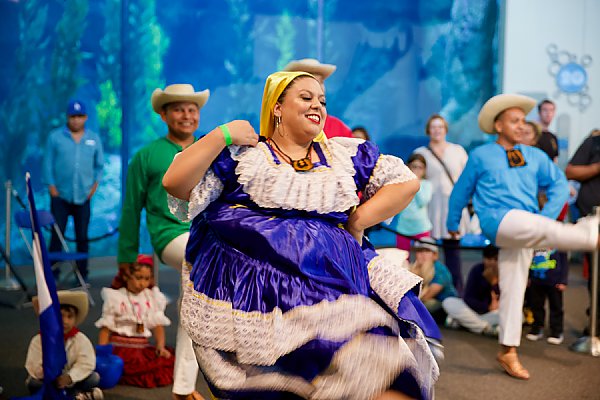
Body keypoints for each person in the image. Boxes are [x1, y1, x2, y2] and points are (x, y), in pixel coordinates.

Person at [162, 71, 440, 400]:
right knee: (291, 386)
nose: (317, 106)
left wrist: (360, 220)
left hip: (335, 288)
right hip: (267, 298)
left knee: (383, 375)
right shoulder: (246, 156)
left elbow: (405, 182)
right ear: (277, 107)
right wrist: (223, 134)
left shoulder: (340, 156)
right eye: (306, 97)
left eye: (322, 100)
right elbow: (175, 183)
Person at [447, 93, 599, 380]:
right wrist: (453, 222)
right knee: (532, 230)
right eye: (514, 121)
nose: (520, 125)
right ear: (498, 125)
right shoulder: (481, 155)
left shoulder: (535, 155)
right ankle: (591, 235)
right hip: (498, 220)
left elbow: (558, 184)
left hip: (528, 226)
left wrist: (546, 217)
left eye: (522, 121)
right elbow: (461, 191)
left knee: (514, 290)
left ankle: (508, 350)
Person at [116, 84, 206, 399]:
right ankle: (183, 387)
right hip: (171, 236)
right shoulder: (146, 156)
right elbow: (130, 207)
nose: (187, 115)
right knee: (198, 277)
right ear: (164, 114)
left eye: (192, 109)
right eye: (179, 109)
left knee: (196, 299)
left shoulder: (209, 148)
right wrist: (126, 255)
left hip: (209, 235)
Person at [42, 100, 104, 282]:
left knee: (82, 237)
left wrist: (94, 187)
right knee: (57, 235)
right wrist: (51, 186)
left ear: (85, 117)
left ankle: (82, 274)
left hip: (83, 196)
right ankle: (52, 274)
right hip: (60, 196)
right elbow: (47, 163)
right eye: (72, 117)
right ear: (67, 117)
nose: (76, 120)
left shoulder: (93, 138)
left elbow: (99, 166)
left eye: (79, 116)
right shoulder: (55, 138)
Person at [96, 255, 174, 388]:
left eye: (147, 279)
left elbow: (157, 325)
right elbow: (106, 328)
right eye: (138, 278)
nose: (142, 283)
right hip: (120, 348)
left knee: (167, 362)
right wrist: (103, 354)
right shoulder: (116, 297)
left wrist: (160, 346)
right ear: (126, 276)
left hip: (141, 348)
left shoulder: (150, 297)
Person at [414, 114, 471, 295]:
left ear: (445, 129)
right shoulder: (421, 153)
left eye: (440, 126)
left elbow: (467, 178)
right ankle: (426, 294)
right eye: (433, 126)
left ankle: (457, 294)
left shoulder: (458, 151)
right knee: (426, 254)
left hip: (453, 206)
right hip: (430, 207)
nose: (437, 130)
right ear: (428, 130)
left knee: (453, 254)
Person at [26, 291, 103, 400]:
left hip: (72, 380)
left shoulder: (81, 339)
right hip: (49, 381)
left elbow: (86, 363)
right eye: (60, 316)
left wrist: (70, 377)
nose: (65, 321)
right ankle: (79, 396)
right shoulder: (39, 340)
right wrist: (50, 375)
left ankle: (73, 395)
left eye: (70, 316)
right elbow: (33, 365)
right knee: (33, 383)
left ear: (75, 319)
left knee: (94, 378)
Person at [566, 128, 600, 338]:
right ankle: (595, 324)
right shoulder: (594, 143)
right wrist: (597, 167)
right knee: (597, 277)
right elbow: (570, 172)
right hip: (594, 219)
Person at [283, 58, 353, 139]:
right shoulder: (276, 126)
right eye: (306, 97)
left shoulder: (340, 129)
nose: (316, 86)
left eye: (320, 81)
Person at [442, 245, 500, 336]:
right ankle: (485, 328)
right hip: (473, 311)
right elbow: (468, 298)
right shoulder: (477, 270)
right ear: (484, 259)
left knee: (518, 316)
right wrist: (486, 307)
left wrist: (493, 284)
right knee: (448, 302)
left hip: (493, 314)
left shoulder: (505, 273)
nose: (492, 262)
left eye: (495, 259)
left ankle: (465, 323)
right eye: (489, 259)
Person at [390, 153, 432, 251]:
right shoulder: (402, 184)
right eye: (414, 167)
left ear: (424, 170)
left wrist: (415, 182)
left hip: (422, 227)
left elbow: (423, 201)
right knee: (403, 258)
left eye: (420, 167)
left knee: (424, 259)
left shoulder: (427, 184)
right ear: (408, 167)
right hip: (403, 228)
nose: (417, 170)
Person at [525, 248, 568, 344]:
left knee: (556, 307)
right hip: (536, 280)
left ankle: (556, 332)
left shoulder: (559, 244)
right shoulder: (534, 243)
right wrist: (527, 277)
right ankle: (536, 328)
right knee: (536, 306)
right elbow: (527, 259)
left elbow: (564, 263)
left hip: (555, 282)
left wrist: (563, 280)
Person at [409, 237, 457, 322]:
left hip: (443, 304)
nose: (423, 255)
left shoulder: (439, 270)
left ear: (435, 255)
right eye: (420, 251)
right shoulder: (414, 268)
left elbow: (428, 295)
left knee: (421, 307)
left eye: (427, 251)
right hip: (425, 301)